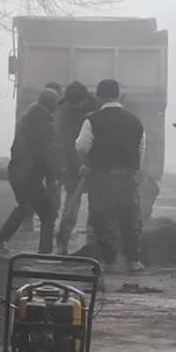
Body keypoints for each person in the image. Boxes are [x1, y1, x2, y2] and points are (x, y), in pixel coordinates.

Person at [76, 79, 146, 273]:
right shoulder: (135, 121)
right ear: (118, 95)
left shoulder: (92, 120)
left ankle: (109, 261)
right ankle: (133, 261)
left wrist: (90, 160)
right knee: (130, 218)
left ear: (100, 96)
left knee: (102, 218)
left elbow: (81, 146)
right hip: (127, 177)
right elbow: (141, 148)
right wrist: (133, 167)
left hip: (101, 177)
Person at [0, 89, 63, 254]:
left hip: (16, 172)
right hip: (30, 176)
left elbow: (15, 148)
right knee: (48, 213)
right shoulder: (45, 126)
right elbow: (46, 155)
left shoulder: (25, 121)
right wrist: (53, 177)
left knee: (25, 207)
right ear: (51, 104)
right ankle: (45, 254)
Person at [54, 80, 99, 254]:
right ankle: (63, 238)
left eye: (77, 104)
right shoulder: (63, 112)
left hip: (97, 163)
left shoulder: (97, 108)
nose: (74, 107)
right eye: (71, 104)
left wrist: (93, 161)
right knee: (71, 203)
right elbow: (66, 143)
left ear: (85, 99)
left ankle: (93, 241)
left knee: (96, 204)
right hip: (74, 164)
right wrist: (79, 163)